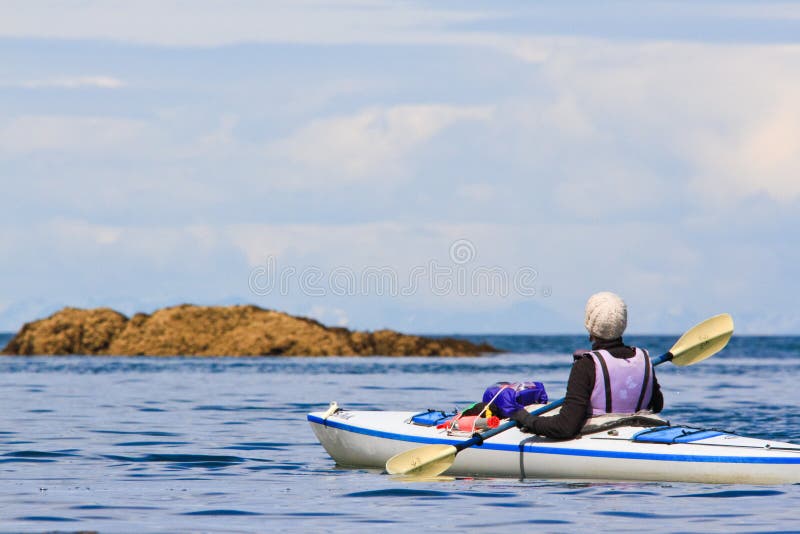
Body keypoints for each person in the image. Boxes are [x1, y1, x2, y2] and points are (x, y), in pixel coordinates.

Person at [492, 291, 663, 439]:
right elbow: (657, 405)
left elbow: (565, 427)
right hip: (637, 430)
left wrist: (523, 418)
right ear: (623, 324)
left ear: (590, 324)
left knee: (528, 410)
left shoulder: (586, 365)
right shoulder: (644, 358)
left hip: (601, 434)